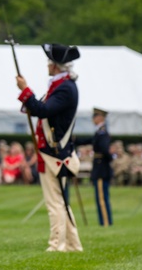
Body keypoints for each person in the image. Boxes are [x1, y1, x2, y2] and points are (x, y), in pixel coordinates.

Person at [15, 43, 83, 253]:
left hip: (55, 153)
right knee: (61, 200)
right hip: (53, 152)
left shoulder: (64, 88)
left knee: (55, 203)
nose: (47, 65)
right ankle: (73, 244)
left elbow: (43, 110)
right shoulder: (62, 86)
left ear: (55, 66)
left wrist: (25, 90)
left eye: (49, 62)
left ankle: (57, 245)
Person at [75, 108, 113, 226]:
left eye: (95, 116)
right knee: (100, 197)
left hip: (101, 168)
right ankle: (104, 221)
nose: (93, 119)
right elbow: (89, 141)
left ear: (100, 118)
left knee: (102, 198)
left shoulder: (102, 132)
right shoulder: (99, 132)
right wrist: (74, 140)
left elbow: (104, 149)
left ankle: (106, 222)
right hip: (100, 167)